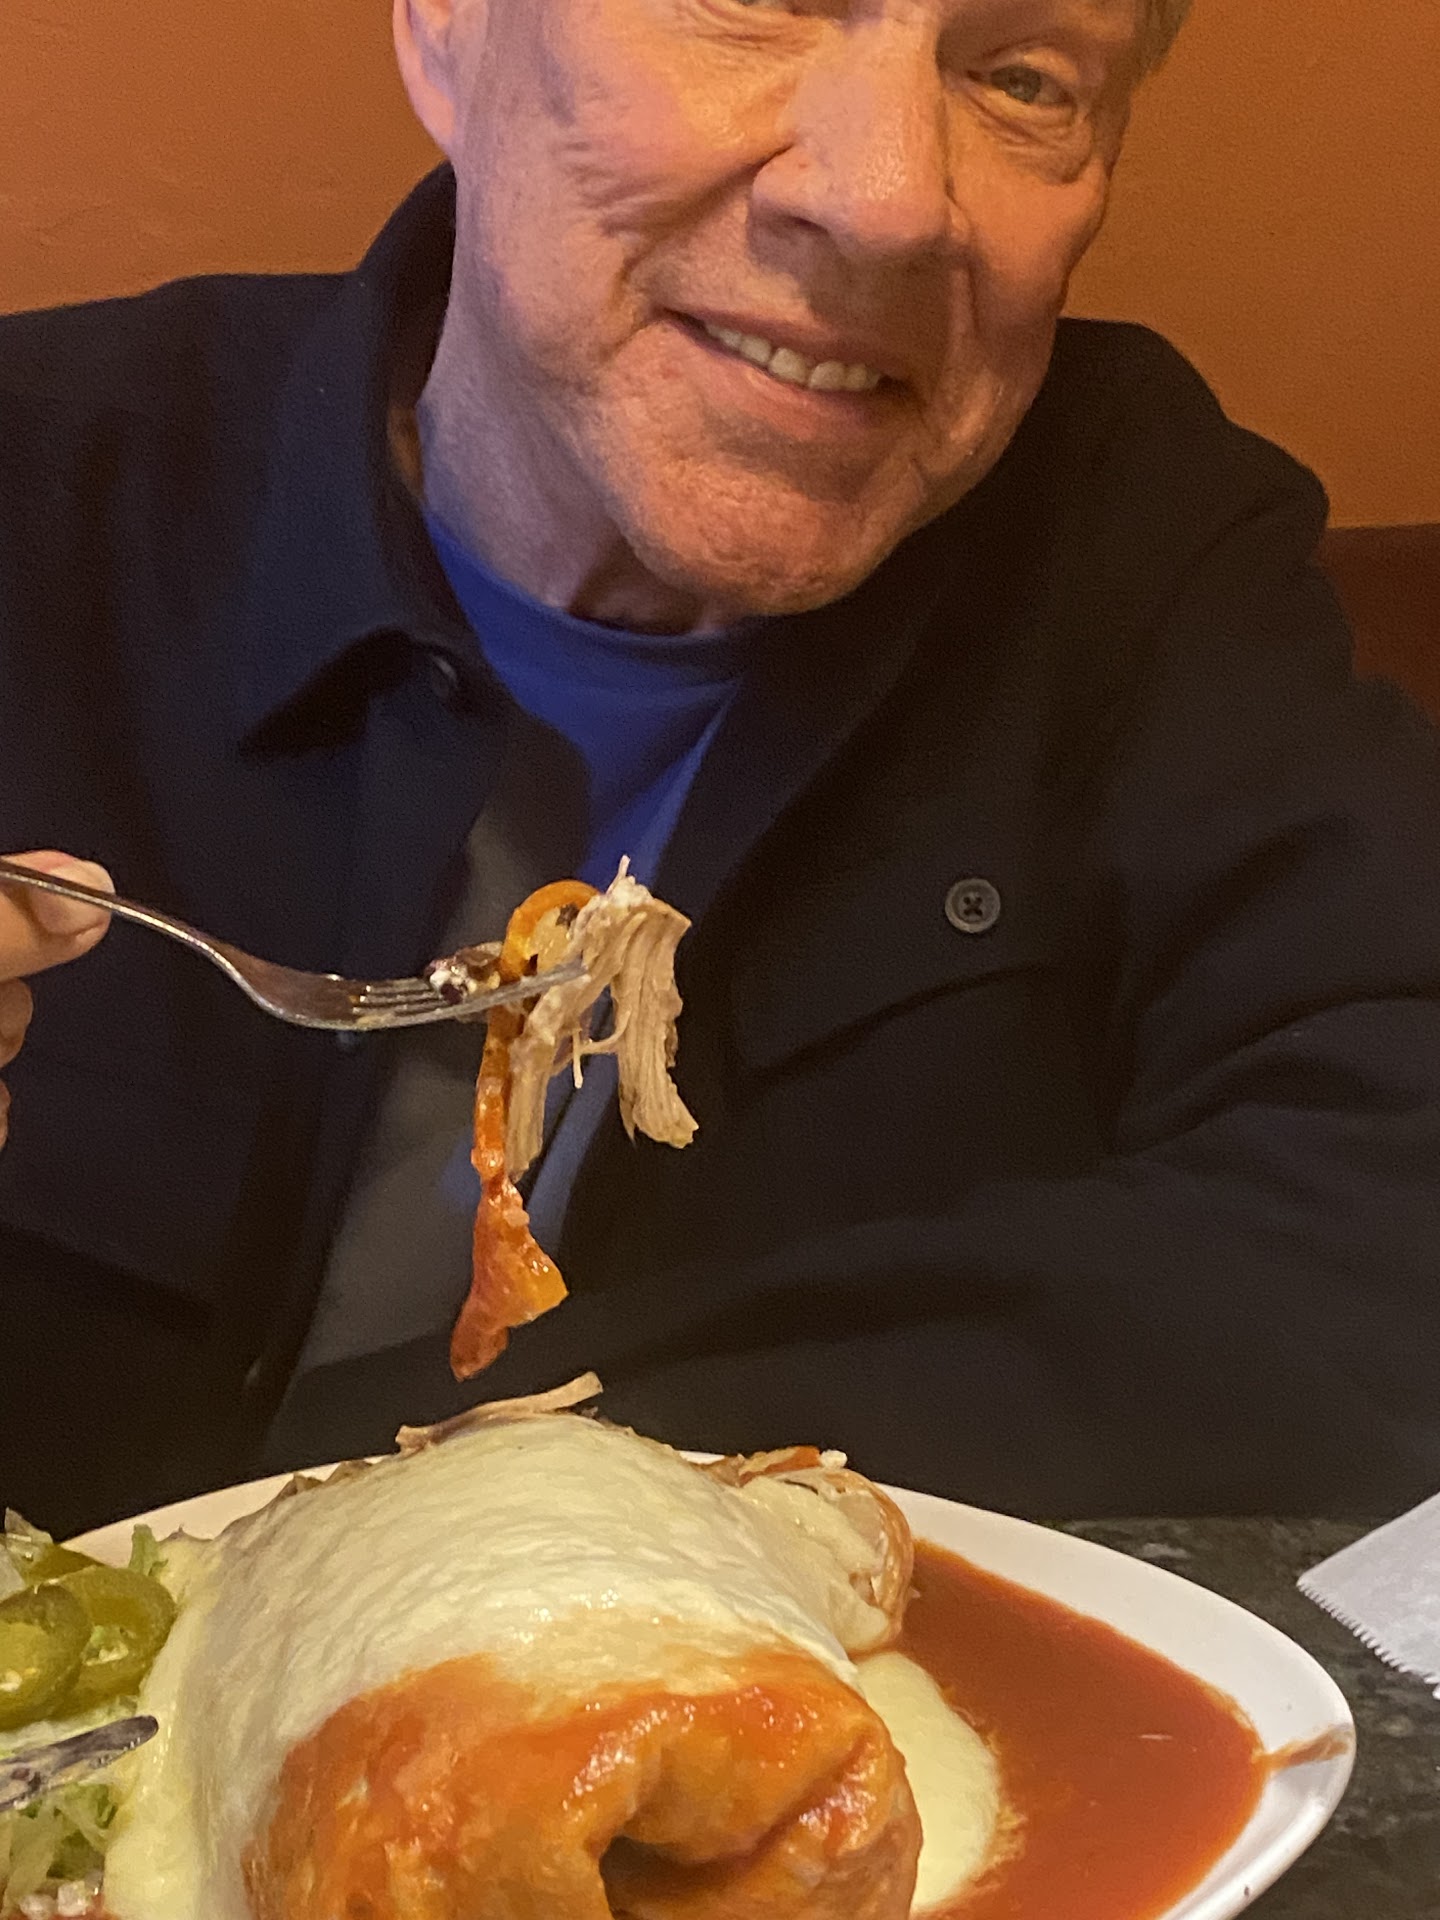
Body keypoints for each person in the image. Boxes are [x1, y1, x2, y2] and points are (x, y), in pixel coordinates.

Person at [3, 0, 1438, 1536]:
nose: (887, 200)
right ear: (447, 27)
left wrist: (460, 1485)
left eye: (1025, 77)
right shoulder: (43, 491)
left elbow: (1391, 1222)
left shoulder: (1145, 546)